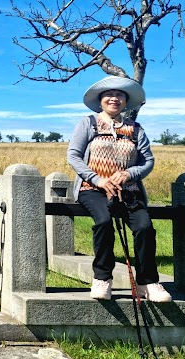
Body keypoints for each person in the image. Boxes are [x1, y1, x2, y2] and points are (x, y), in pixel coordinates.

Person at [67, 75, 172, 302]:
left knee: (144, 228)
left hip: (128, 191)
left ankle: (148, 282)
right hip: (92, 189)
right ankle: (102, 278)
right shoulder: (88, 123)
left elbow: (147, 161)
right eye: (109, 95)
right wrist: (98, 179)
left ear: (125, 101)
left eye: (119, 95)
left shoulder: (136, 129)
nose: (114, 99)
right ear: (101, 100)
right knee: (104, 222)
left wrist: (129, 173)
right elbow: (74, 156)